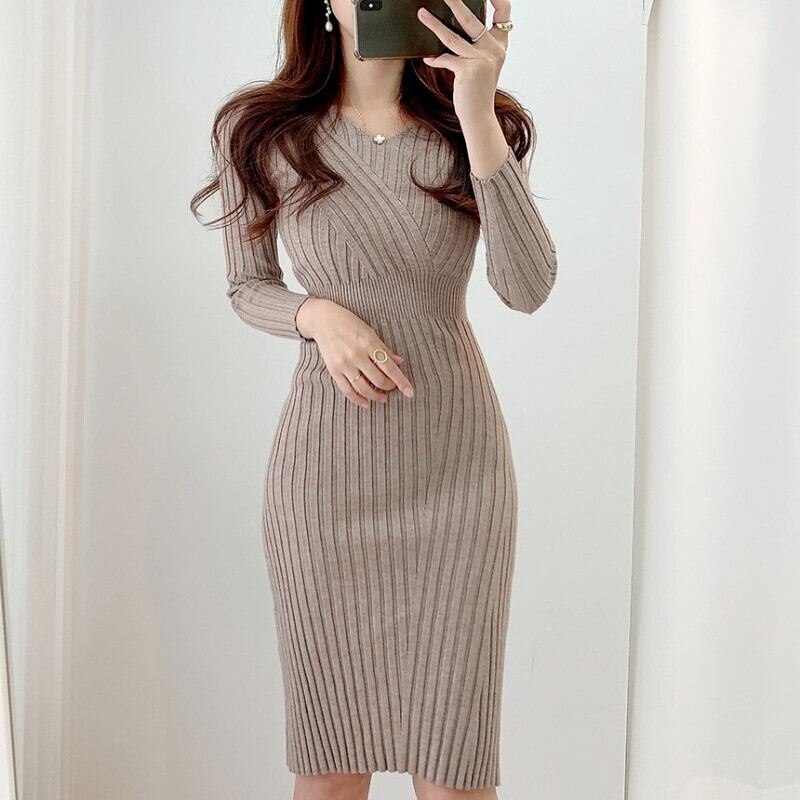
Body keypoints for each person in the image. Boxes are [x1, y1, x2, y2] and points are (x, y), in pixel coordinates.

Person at [191, 1, 557, 797]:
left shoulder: (479, 126)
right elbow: (247, 287)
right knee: (330, 771)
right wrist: (315, 315)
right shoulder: (261, 131)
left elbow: (526, 287)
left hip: (458, 479)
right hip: (324, 485)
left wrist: (477, 112)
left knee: (455, 774)